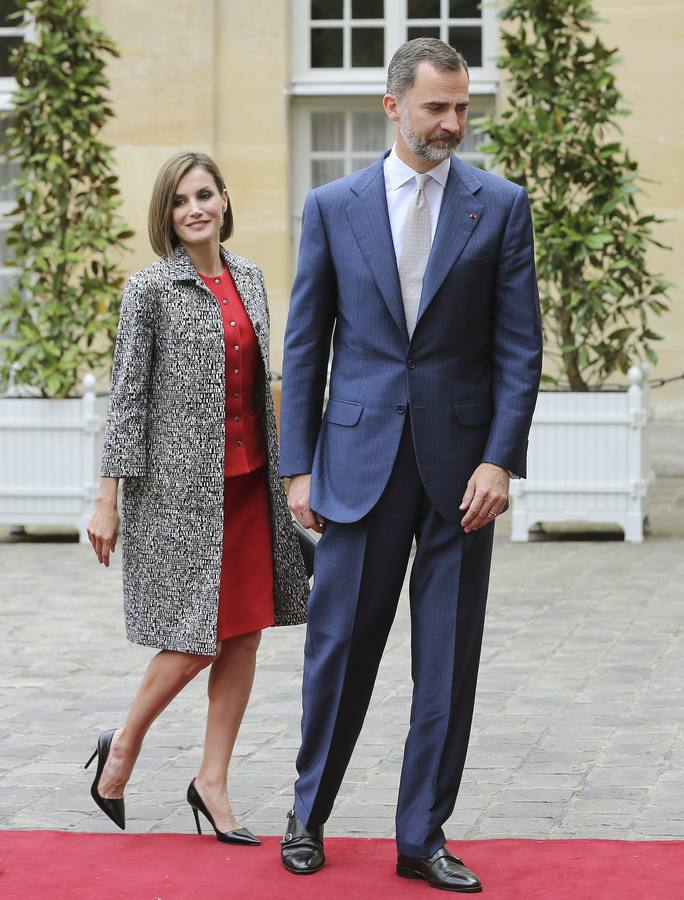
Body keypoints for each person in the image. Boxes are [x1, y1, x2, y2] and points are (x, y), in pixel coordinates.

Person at [279, 39, 542, 891]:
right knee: (340, 651)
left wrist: (501, 460)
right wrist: (297, 470)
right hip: (355, 465)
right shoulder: (333, 205)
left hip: (462, 474)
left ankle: (421, 836)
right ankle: (306, 816)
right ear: (393, 105)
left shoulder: (500, 206)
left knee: (448, 660)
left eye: (462, 108)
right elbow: (306, 342)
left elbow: (518, 349)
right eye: (437, 108)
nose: (453, 124)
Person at [85, 151, 308, 843]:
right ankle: (121, 745)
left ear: (224, 199)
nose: (195, 210)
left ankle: (212, 782)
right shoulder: (149, 289)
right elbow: (128, 399)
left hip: (250, 488)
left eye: (204, 195)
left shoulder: (250, 277)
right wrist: (107, 498)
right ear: (167, 215)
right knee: (194, 638)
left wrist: (296, 471)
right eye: (180, 201)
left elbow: (267, 387)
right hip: (178, 497)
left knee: (243, 635)